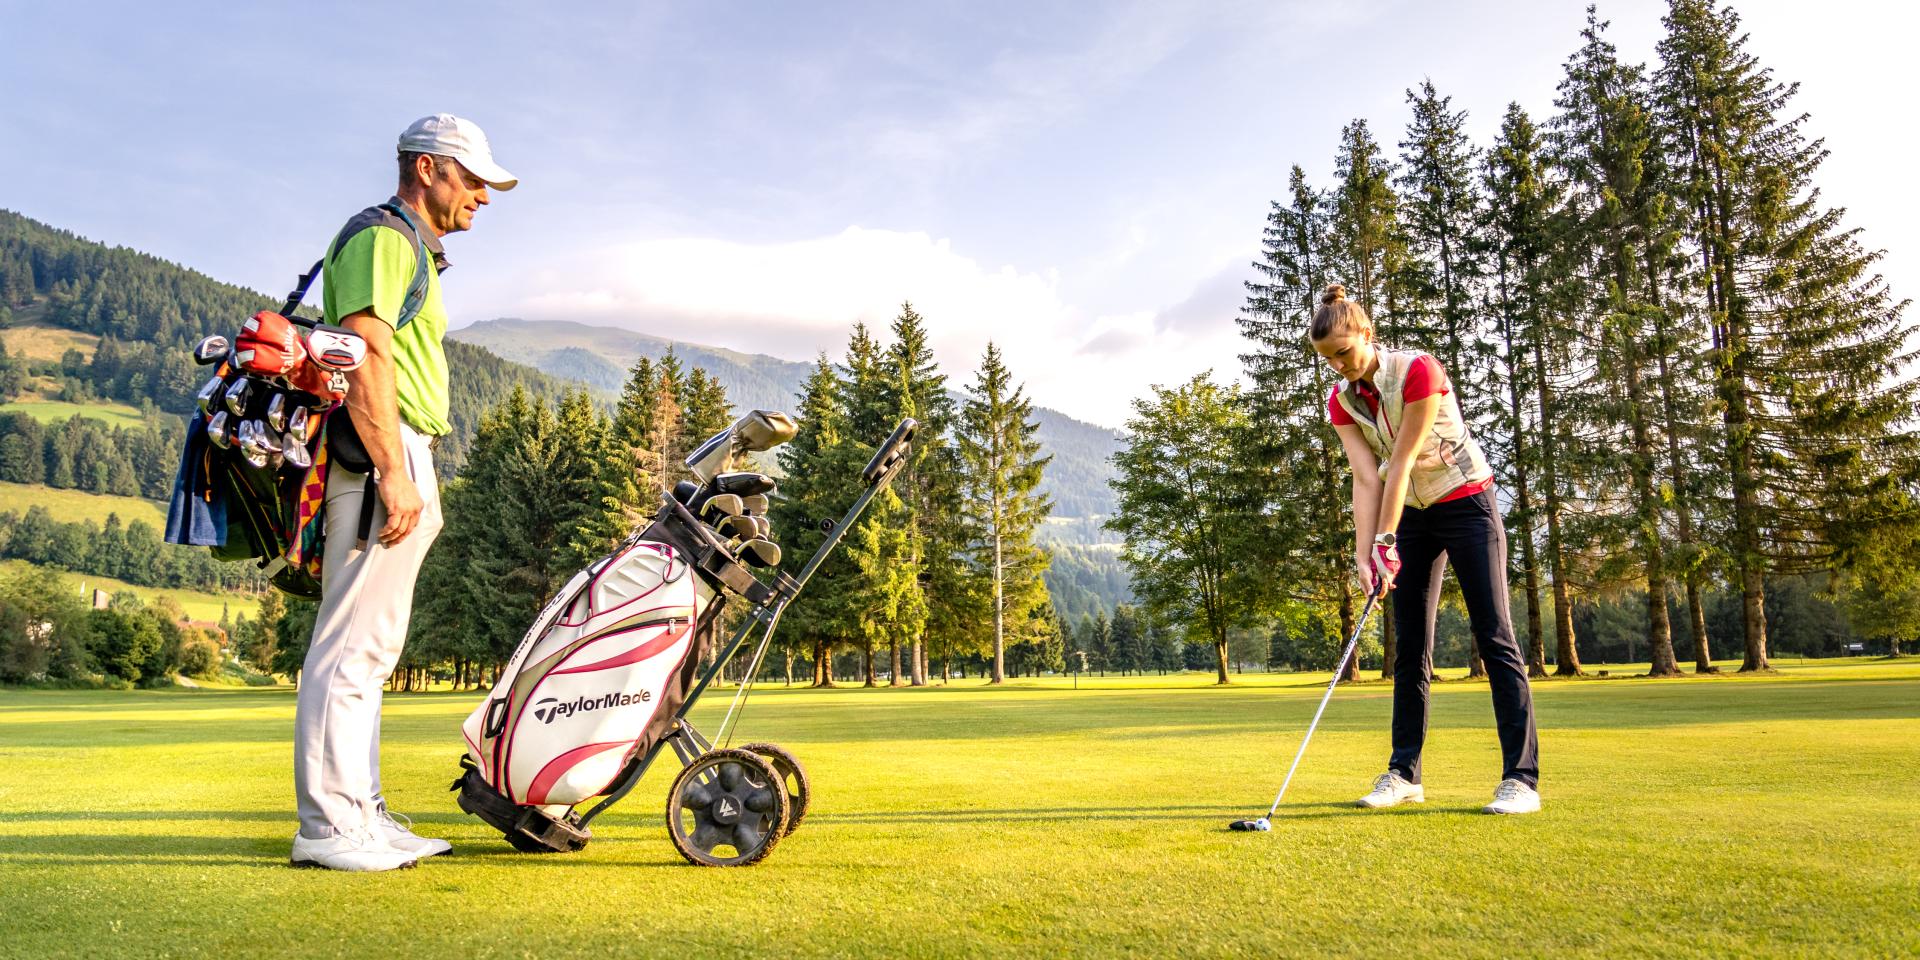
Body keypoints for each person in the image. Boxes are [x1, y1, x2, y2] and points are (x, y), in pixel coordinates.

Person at [291, 114, 518, 870]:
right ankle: (329, 827)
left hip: (401, 452)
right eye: (474, 179)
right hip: (378, 457)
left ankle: (363, 811)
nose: (483, 197)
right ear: (428, 169)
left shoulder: (407, 246)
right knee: (351, 648)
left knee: (374, 648)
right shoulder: (383, 238)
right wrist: (394, 470)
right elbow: (364, 353)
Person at [1312, 283, 1541, 815]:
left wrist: (1385, 541)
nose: (1340, 367)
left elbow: (1407, 459)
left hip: (1465, 503)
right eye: (1328, 360)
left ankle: (1521, 780)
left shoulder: (1418, 370)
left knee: (1495, 636)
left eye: (1344, 352)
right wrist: (1365, 554)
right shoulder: (1342, 402)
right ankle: (1404, 772)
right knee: (1410, 646)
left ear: (1366, 334)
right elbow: (1366, 480)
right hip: (1410, 516)